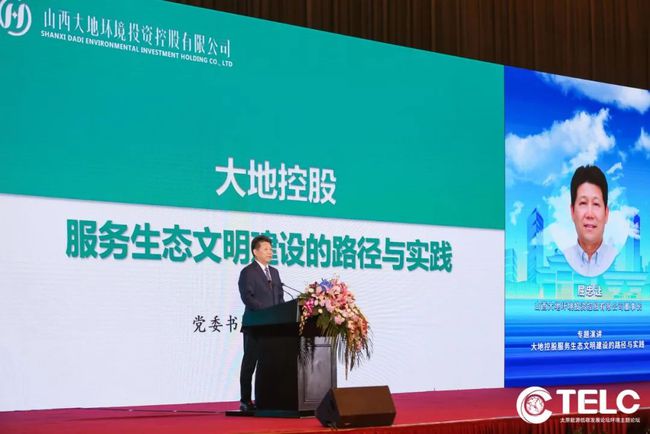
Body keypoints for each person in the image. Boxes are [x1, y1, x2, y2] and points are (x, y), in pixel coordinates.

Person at [237, 235, 284, 412]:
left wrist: (281, 314)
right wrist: (266, 313)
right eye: (266, 249)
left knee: (271, 364)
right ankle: (245, 400)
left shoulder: (275, 272)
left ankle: (268, 398)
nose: (270, 252)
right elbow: (247, 297)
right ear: (255, 252)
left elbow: (280, 297)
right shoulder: (248, 272)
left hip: (273, 327)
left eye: (271, 249)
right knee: (250, 363)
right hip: (255, 325)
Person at [562, 165, 617, 277]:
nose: (590, 214)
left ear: (606, 213)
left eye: (596, 204)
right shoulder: (564, 258)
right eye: (583, 203)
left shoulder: (616, 258)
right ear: (572, 211)